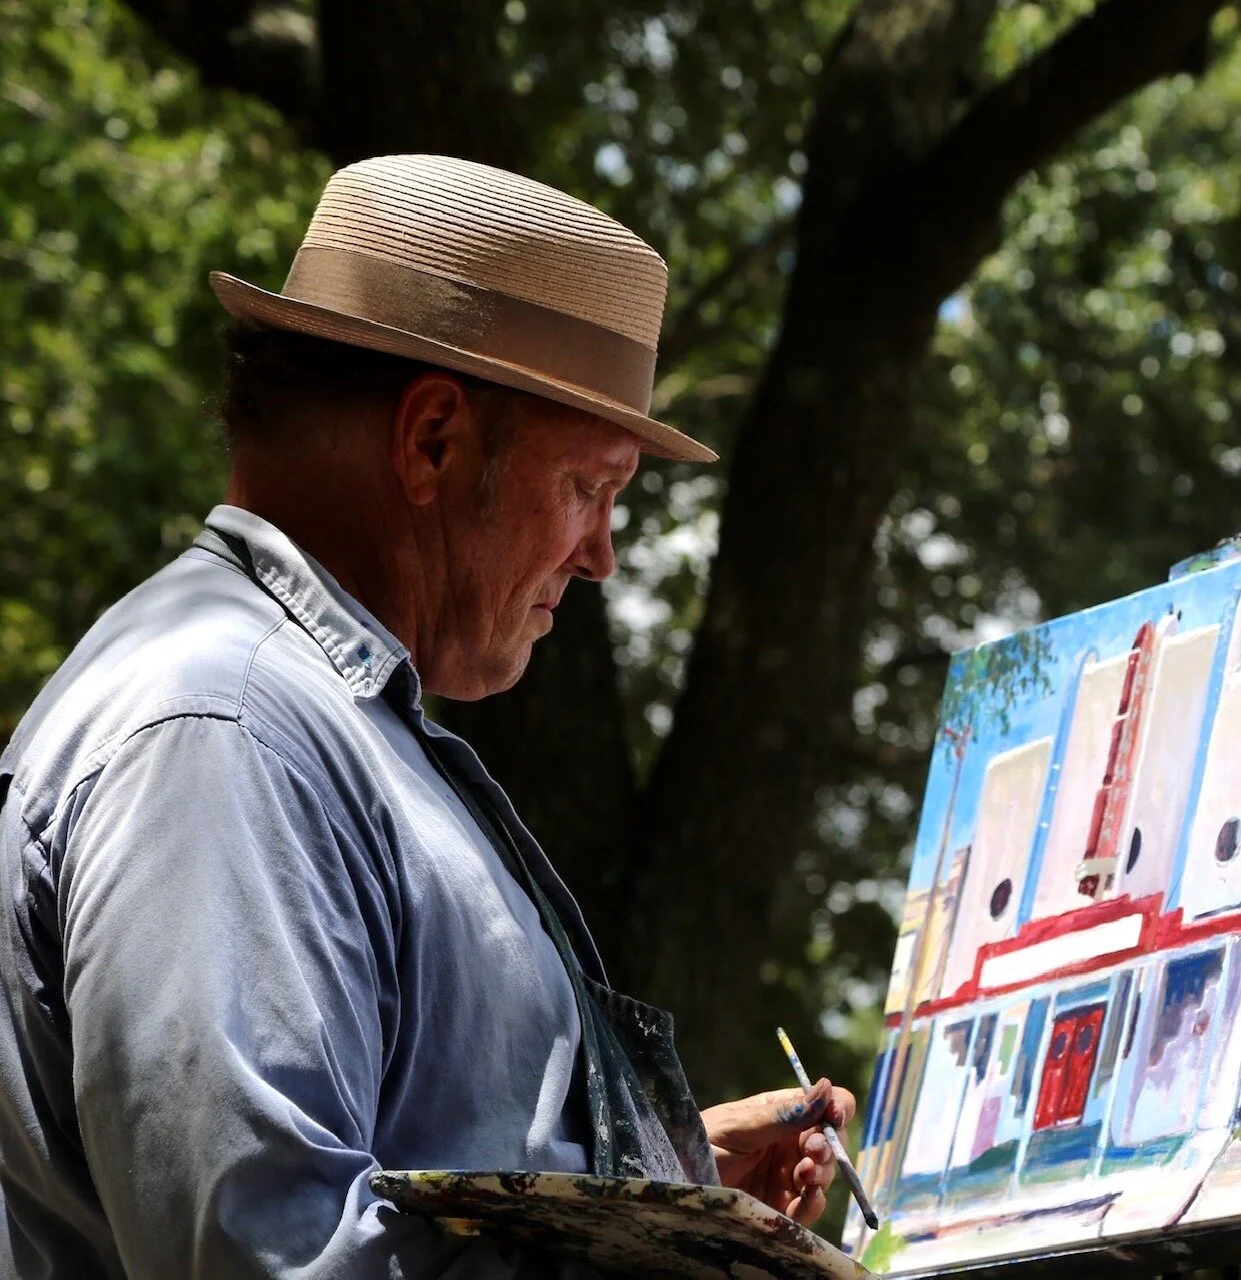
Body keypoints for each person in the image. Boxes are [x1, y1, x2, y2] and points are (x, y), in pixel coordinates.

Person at [0, 154, 854, 1278]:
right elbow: (266, 1253)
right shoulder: (231, 723)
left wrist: (667, 1180)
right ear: (433, 440)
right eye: (590, 487)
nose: (599, 554)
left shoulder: (304, 714)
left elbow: (379, 1161)